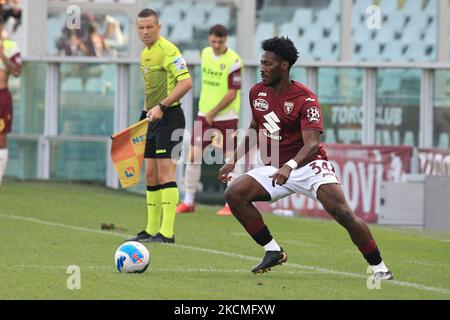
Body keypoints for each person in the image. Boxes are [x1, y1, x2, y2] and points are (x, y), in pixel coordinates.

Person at [218, 36, 393, 280]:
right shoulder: (257, 92)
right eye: (261, 63)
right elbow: (254, 128)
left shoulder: (305, 98)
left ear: (284, 65)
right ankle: (273, 251)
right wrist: (233, 159)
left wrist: (290, 166)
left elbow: (313, 143)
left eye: (268, 64)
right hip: (276, 167)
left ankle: (379, 268)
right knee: (234, 194)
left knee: (343, 213)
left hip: (309, 166)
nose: (262, 68)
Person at [126, 8, 192, 243]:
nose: (145, 32)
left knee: (166, 173)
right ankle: (151, 229)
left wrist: (162, 106)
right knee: (151, 176)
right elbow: (150, 92)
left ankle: (167, 232)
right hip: (152, 119)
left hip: (171, 117)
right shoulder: (146, 53)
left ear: (158, 27)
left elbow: (186, 83)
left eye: (149, 27)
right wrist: (143, 117)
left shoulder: (168, 50)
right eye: (141, 28)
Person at [176, 24, 242, 216]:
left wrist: (213, 112)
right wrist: (208, 112)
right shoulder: (205, 54)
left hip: (227, 116)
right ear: (209, 40)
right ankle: (188, 200)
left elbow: (232, 94)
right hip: (205, 115)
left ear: (226, 40)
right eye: (213, 41)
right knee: (193, 155)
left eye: (220, 42)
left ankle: (231, 204)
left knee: (229, 159)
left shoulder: (234, 60)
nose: (216, 45)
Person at [0, 15, 21, 187]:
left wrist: (2, 54)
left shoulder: (10, 47)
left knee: (1, 137)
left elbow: (16, 72)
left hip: (2, 95)